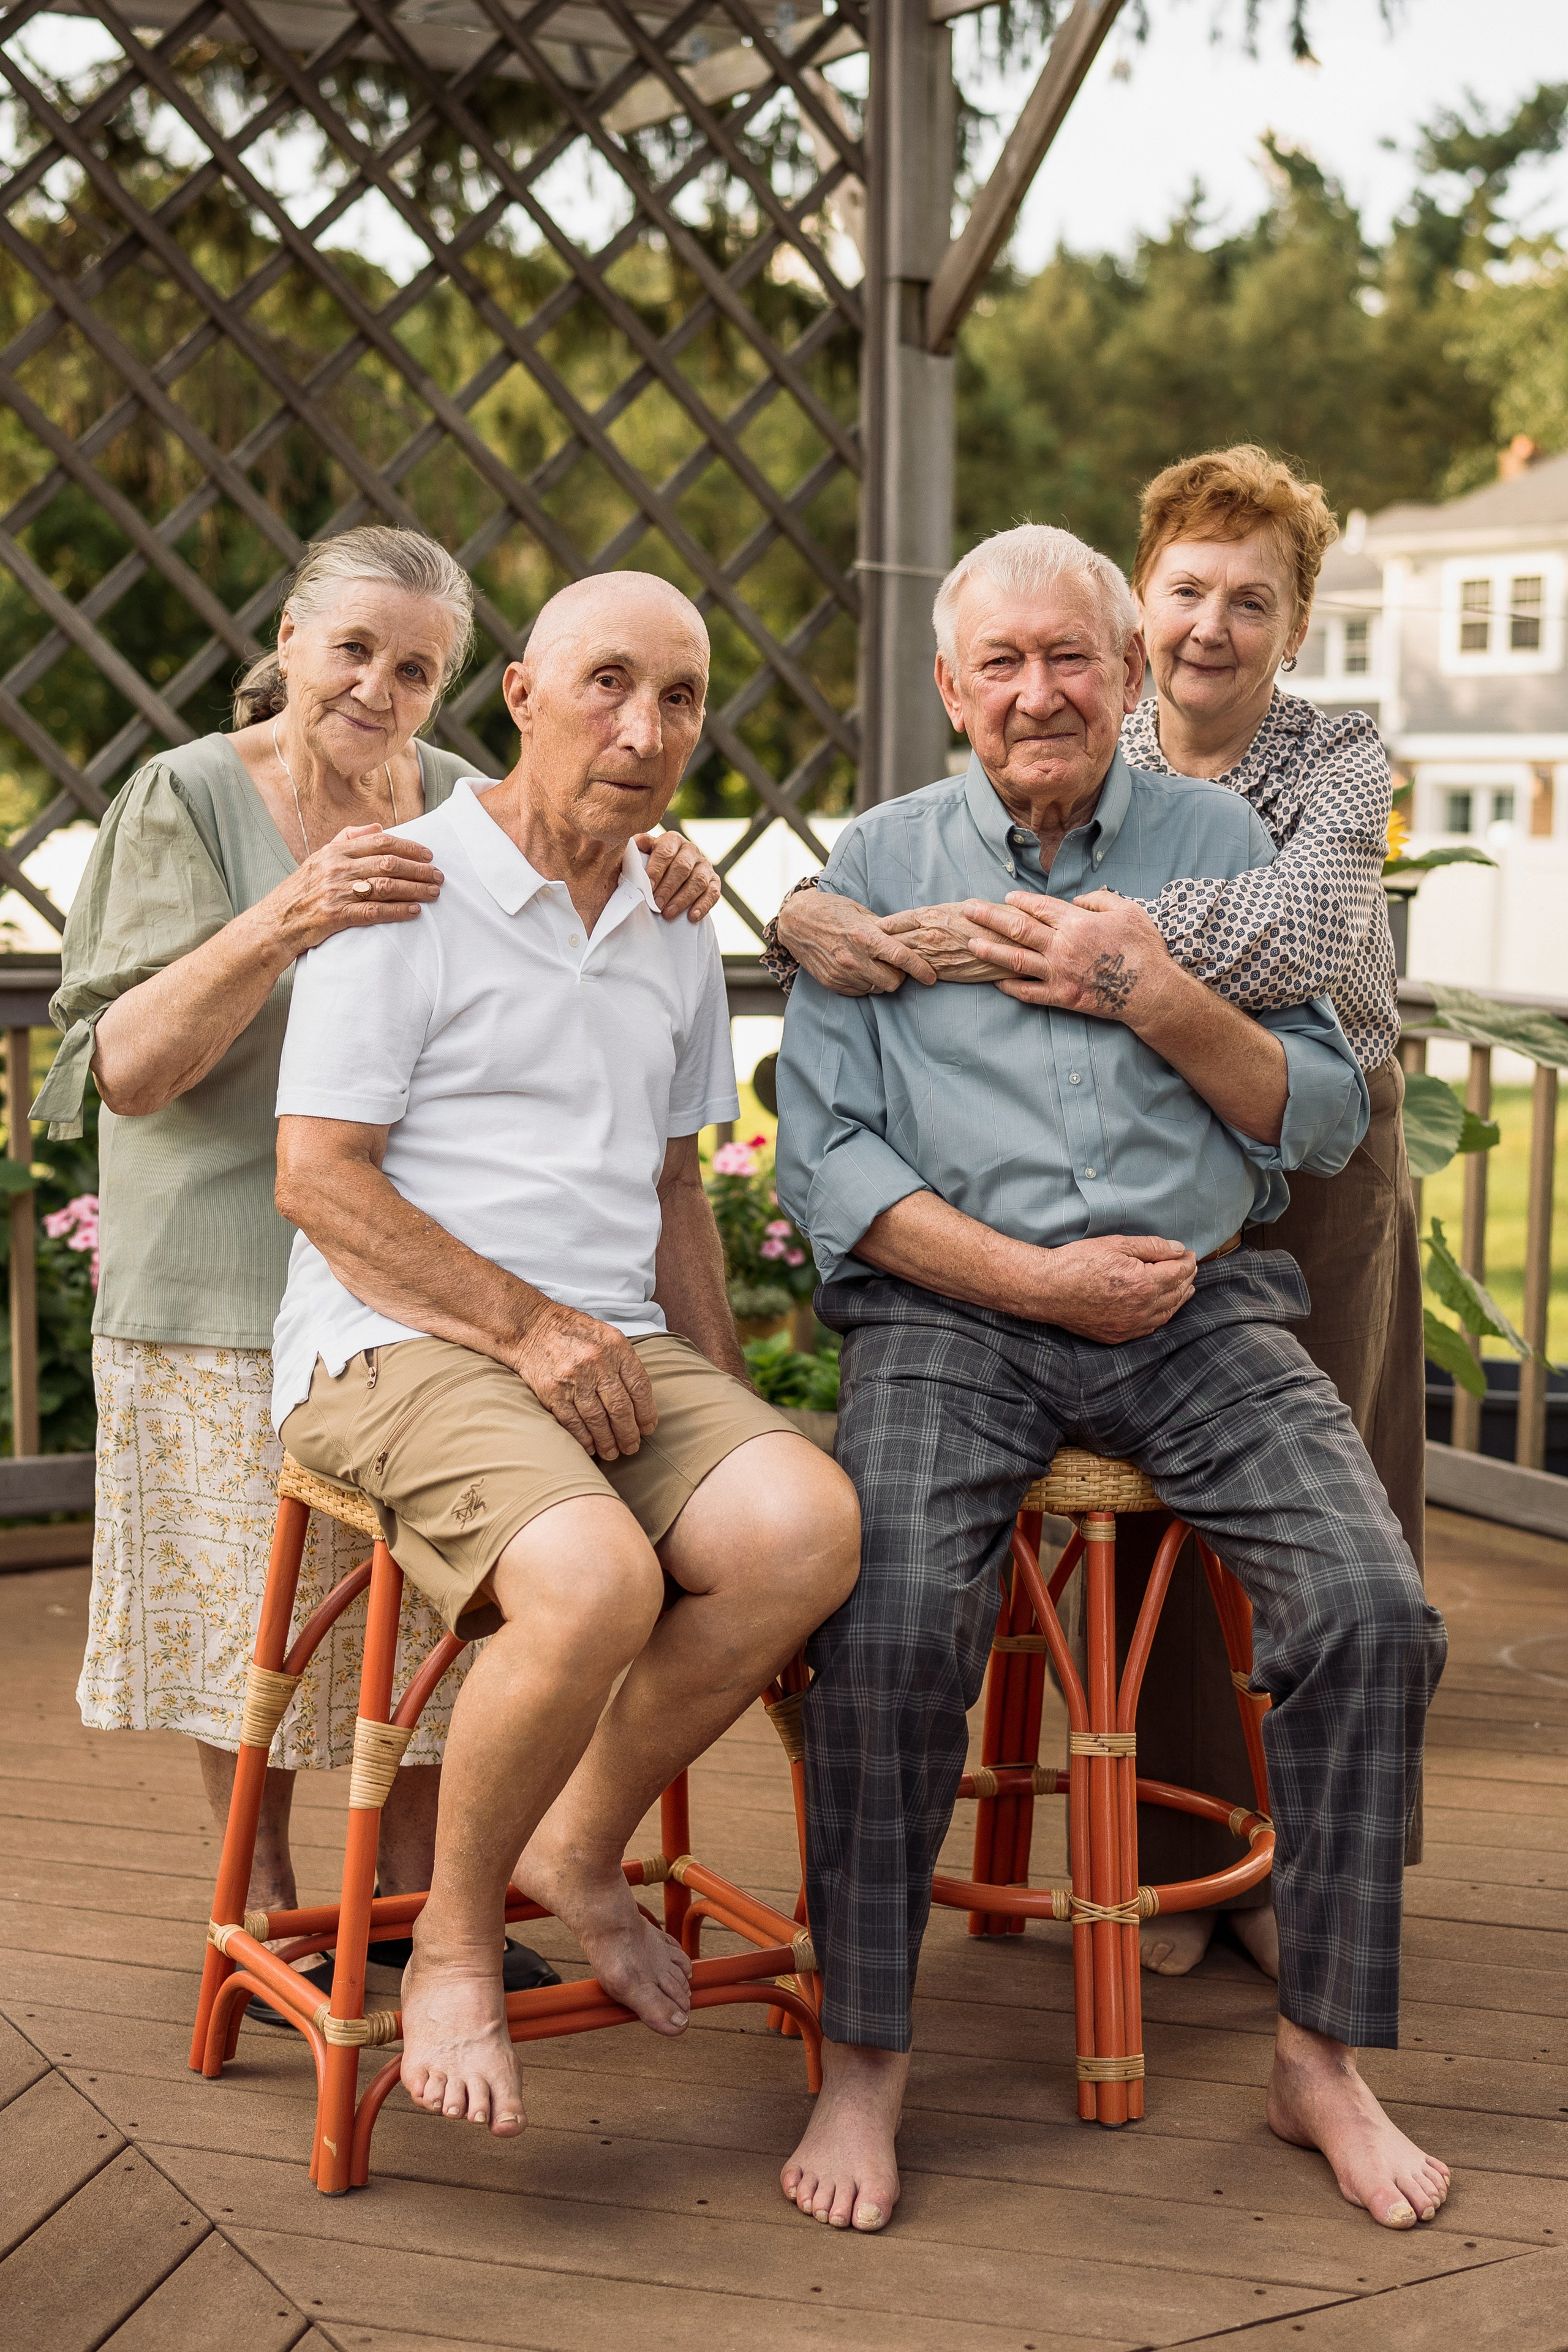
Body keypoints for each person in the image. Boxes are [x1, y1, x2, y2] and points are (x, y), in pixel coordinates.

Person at [773, 524, 1448, 2237]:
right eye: (999, 663)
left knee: (1376, 1609)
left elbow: (1318, 1111)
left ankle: (1323, 2058)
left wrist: (1144, 984)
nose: (1038, 691)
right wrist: (1019, 1278)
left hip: (1194, 1298)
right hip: (956, 1305)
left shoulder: (1223, 848)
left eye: (1072, 657)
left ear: (1129, 677)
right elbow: (828, 1162)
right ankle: (866, 2059)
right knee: (897, 1615)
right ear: (950, 690)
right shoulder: (879, 860)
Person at [34, 526, 722, 2000]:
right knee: (258, 1641)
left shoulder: (458, 812)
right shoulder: (189, 795)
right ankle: (270, 1912)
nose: (379, 688)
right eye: (353, 649)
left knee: (430, 1624)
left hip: (409, 1290)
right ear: (286, 642)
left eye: (416, 668)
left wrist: (658, 855)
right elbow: (125, 1070)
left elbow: (567, 855)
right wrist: (292, 912)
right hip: (223, 1265)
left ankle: (414, 1910)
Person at [271, 569, 862, 2134]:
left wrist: (725, 1401)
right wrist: (523, 1325)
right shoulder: (402, 884)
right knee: (594, 1576)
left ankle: (571, 1847)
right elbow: (318, 1176)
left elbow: (676, 1191)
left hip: (609, 1334)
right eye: (605, 683)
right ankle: (458, 1945)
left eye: (678, 697)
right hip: (394, 1336)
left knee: (806, 1522)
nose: (642, 727)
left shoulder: (672, 917)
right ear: (520, 698)